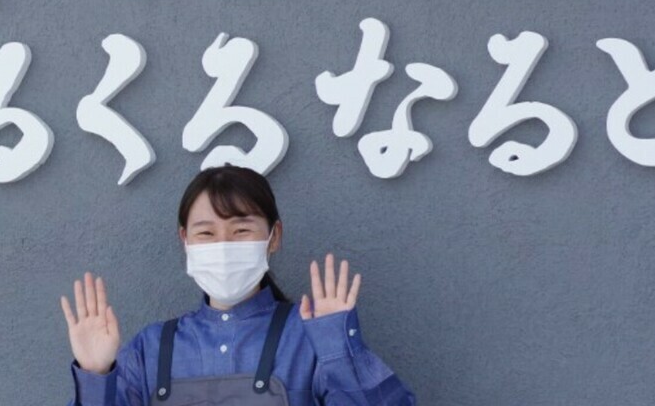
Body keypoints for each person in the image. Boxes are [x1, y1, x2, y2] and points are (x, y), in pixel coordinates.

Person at [59, 166, 417, 405]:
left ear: (274, 236)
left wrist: (340, 349)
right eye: (206, 233)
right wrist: (96, 375)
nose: (223, 245)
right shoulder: (149, 348)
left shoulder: (310, 336)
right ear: (185, 240)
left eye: (241, 230)